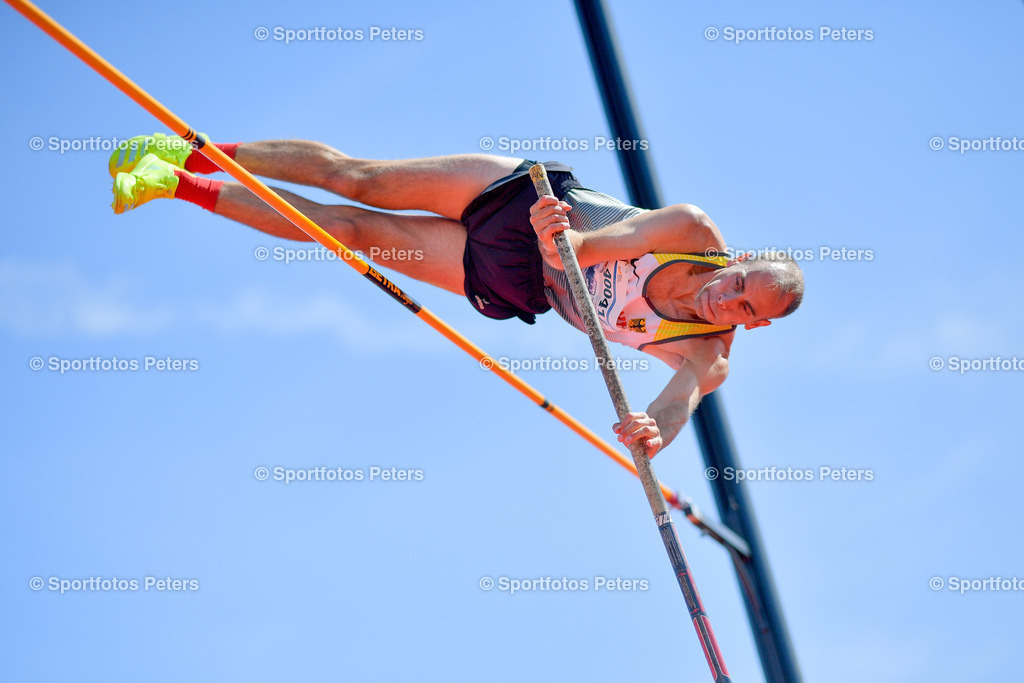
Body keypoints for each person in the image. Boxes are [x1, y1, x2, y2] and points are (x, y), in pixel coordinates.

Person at [109, 134, 803, 457]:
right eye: (739, 282)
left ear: (756, 326)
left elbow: (677, 402)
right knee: (357, 180)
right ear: (736, 259)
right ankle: (187, 150)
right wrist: (562, 243)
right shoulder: (692, 227)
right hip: (524, 201)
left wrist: (652, 429)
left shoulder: (707, 353)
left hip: (517, 276)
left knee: (348, 231)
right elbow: (593, 247)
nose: (726, 300)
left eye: (746, 309)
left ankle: (167, 182)